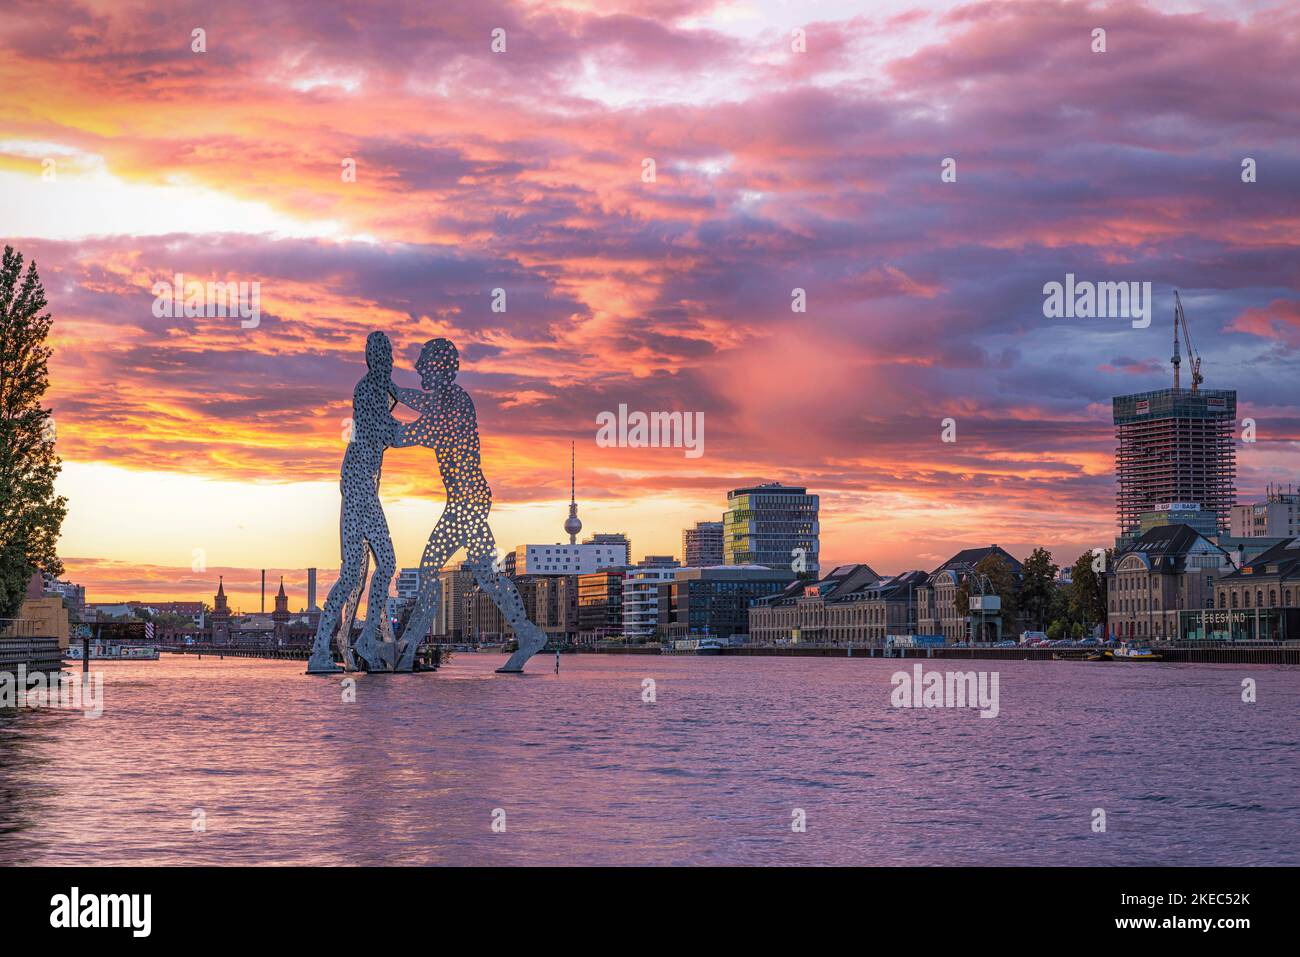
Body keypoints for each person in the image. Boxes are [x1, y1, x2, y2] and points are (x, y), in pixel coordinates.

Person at [389, 338, 546, 673]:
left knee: (430, 572)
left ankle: (407, 650)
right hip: (468, 500)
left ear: (441, 367)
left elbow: (415, 433)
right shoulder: (449, 399)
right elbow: (421, 403)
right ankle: (529, 634)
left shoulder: (453, 401)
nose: (417, 368)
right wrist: (394, 390)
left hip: (466, 503)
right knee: (486, 576)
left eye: (424, 362)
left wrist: (380, 427)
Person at [307, 332, 401, 673]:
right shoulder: (367, 390)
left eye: (390, 355)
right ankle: (362, 642)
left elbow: (401, 400)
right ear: (372, 358)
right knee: (381, 565)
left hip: (360, 488)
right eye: (384, 356)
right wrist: (430, 430)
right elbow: (388, 433)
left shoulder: (380, 388)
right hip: (360, 489)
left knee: (355, 576)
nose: (389, 361)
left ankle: (341, 646)